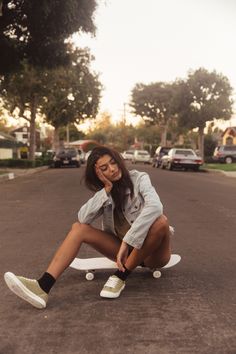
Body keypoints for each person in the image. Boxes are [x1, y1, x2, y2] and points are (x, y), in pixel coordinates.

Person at [4, 146, 173, 308]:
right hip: (123, 255)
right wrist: (106, 190)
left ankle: (120, 277)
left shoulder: (139, 178)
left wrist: (128, 241)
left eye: (113, 162)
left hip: (152, 255)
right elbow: (82, 218)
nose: (112, 169)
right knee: (78, 228)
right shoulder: (106, 193)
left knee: (161, 221)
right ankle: (42, 287)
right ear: (98, 174)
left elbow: (156, 207)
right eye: (105, 168)